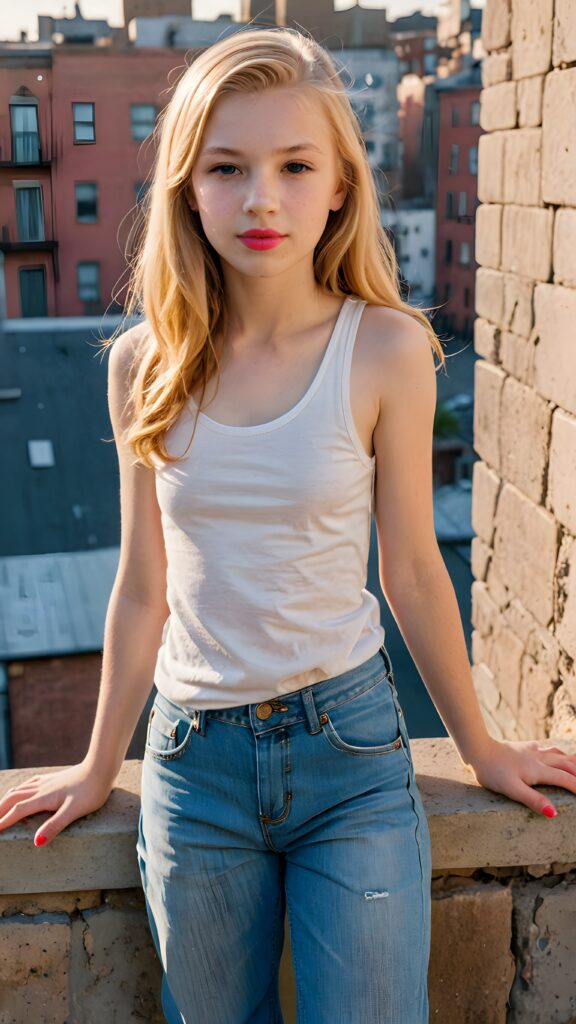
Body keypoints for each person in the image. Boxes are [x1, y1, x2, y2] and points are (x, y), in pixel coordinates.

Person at [1, 25, 575, 1024]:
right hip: (194, 765)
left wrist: (481, 747)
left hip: (349, 754)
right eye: (227, 168)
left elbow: (412, 569)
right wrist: (100, 765)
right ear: (188, 187)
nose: (262, 198)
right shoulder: (144, 363)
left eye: (294, 166)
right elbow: (144, 587)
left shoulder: (386, 348)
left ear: (341, 186)